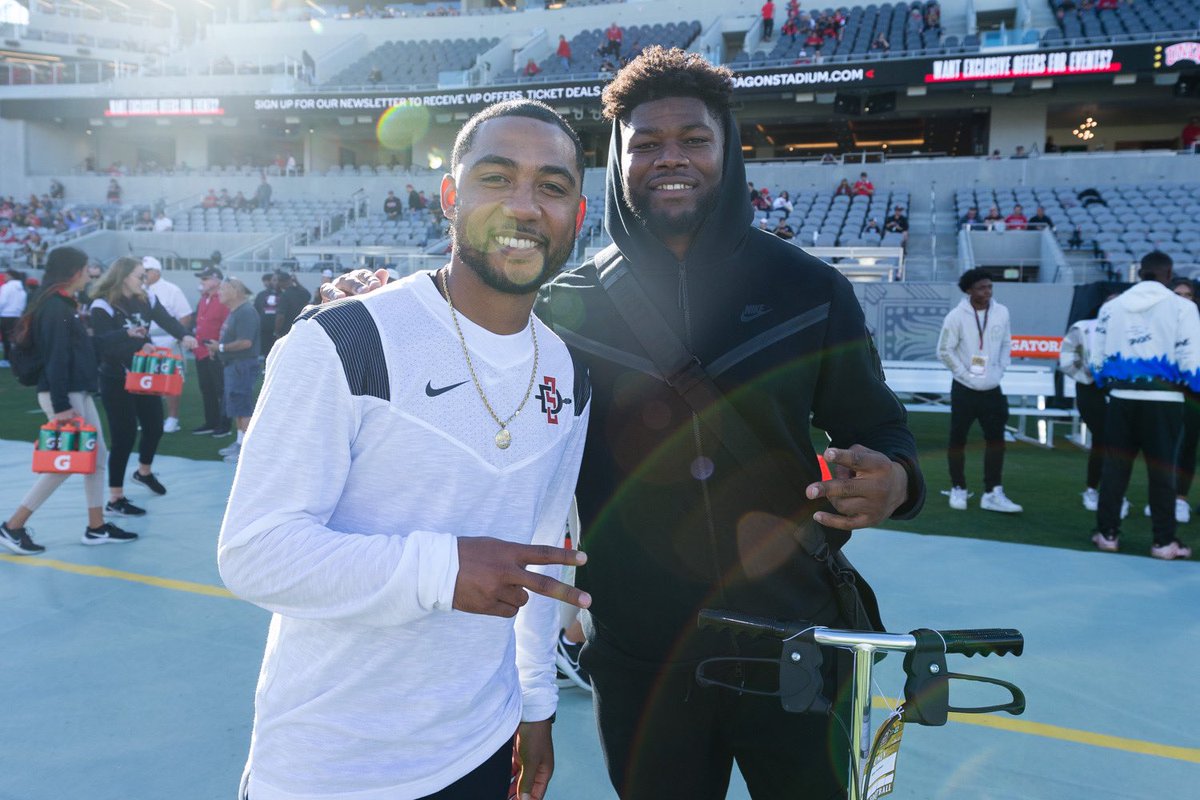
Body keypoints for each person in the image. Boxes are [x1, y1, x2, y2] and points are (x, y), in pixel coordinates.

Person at [324, 47, 925, 800]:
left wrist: (896, 481)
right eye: (646, 143)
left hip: (794, 646)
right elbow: (464, 372)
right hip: (642, 663)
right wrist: (367, 306)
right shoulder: (562, 306)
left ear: (727, 151)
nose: (669, 159)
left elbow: (883, 429)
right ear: (618, 159)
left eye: (693, 140)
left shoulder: (810, 291)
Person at [218, 99, 593, 800]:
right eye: (495, 178)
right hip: (330, 766)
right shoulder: (344, 341)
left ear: (576, 212)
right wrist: (439, 568)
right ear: (450, 197)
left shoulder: (569, 374)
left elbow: (542, 548)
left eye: (552, 186)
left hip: (481, 746)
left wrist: (536, 703)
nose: (523, 205)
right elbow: (254, 551)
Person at [0, 247, 138, 554]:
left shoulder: (58, 304)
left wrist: (124, 336)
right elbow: (57, 358)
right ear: (75, 272)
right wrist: (62, 405)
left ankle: (96, 527)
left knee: (95, 459)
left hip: (73, 392)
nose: (91, 273)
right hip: (64, 395)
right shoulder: (56, 308)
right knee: (68, 463)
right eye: (87, 268)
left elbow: (82, 347)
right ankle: (13, 525)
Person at [1091, 252, 1200, 560]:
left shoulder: (1111, 307)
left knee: (1115, 470)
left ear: (1140, 273)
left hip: (1122, 399)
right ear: (1169, 274)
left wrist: (1106, 383)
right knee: (1163, 473)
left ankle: (1108, 534)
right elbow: (1192, 359)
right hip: (1165, 402)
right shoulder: (1184, 307)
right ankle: (1163, 543)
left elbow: (1097, 358)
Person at [89, 257, 197, 514]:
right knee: (123, 436)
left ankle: (143, 472)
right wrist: (138, 344)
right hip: (115, 378)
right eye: (140, 275)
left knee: (154, 426)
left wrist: (185, 336)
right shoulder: (102, 305)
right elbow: (104, 345)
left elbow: (167, 320)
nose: (145, 280)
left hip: (144, 375)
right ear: (124, 276)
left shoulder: (146, 298)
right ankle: (115, 499)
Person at [937, 268, 1023, 513]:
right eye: (981, 287)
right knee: (958, 441)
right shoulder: (956, 316)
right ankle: (958, 488)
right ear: (969, 290)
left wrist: (1000, 370)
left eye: (989, 287)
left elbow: (1007, 343)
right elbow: (944, 350)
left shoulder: (1002, 312)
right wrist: (964, 375)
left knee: (996, 442)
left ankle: (993, 492)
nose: (987, 292)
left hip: (993, 388)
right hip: (964, 388)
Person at [1060, 294, 1127, 517]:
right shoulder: (1082, 328)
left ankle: (1114, 492)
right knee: (1103, 438)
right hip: (1089, 389)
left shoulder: (1131, 330)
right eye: (1109, 302)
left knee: (1118, 441)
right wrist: (1092, 375)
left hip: (1120, 390)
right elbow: (1067, 360)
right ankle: (1092, 490)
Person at [205, 277, 259, 464]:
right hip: (235, 365)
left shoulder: (245, 312)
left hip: (241, 365)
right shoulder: (236, 311)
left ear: (235, 291)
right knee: (238, 406)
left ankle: (248, 449)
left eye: (222, 289)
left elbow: (246, 342)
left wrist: (220, 348)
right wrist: (219, 349)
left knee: (243, 407)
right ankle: (240, 442)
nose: (218, 293)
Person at [143, 257, 194, 433]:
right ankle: (150, 417)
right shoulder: (141, 290)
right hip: (147, 342)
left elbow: (185, 316)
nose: (144, 274)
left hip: (168, 340)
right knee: (148, 382)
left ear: (157, 271)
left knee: (171, 381)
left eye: (147, 271)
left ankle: (172, 418)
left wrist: (178, 336)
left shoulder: (172, 289)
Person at [1167, 277, 1200, 524]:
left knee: (1187, 446)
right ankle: (1164, 498)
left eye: (1187, 295)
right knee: (1167, 448)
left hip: (1194, 394)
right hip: (1166, 393)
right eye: (1178, 294)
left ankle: (1181, 499)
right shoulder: (1159, 323)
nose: (1183, 299)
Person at [192, 266, 231, 437]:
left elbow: (227, 327)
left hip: (216, 352)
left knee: (221, 389)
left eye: (205, 278)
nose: (202, 282)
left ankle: (224, 424)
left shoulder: (224, 299)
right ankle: (211, 422)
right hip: (200, 351)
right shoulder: (204, 298)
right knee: (206, 388)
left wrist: (220, 347)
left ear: (216, 280)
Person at [0, 266, 27, 367]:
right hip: (17, 315)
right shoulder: (22, 288)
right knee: (15, 339)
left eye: (6, 275)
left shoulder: (6, 287)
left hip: (6, 315)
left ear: (11, 276)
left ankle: (7, 360)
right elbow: (23, 303)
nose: (4, 277)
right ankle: (17, 359)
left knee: (6, 339)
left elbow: (2, 301)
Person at [273, 270, 310, 341]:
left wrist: (276, 331)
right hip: (300, 329)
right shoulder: (300, 292)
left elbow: (280, 317)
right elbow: (308, 295)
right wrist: (296, 282)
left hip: (286, 331)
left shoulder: (284, 295)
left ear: (281, 282)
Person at [254, 272, 279, 355]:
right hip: (264, 330)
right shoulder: (261, 295)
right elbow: (256, 311)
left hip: (279, 331)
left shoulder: (284, 295)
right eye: (274, 280)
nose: (276, 282)